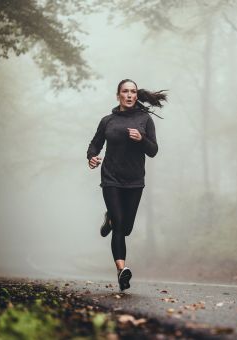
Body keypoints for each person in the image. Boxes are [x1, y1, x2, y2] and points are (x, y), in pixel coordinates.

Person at [87, 79, 166, 291]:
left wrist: (141, 139)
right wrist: (92, 158)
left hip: (134, 180)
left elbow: (153, 150)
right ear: (118, 95)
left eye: (132, 92)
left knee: (127, 227)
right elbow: (95, 144)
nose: (129, 95)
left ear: (136, 95)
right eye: (125, 91)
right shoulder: (107, 121)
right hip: (111, 178)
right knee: (120, 225)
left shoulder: (144, 119)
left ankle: (109, 219)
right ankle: (121, 270)